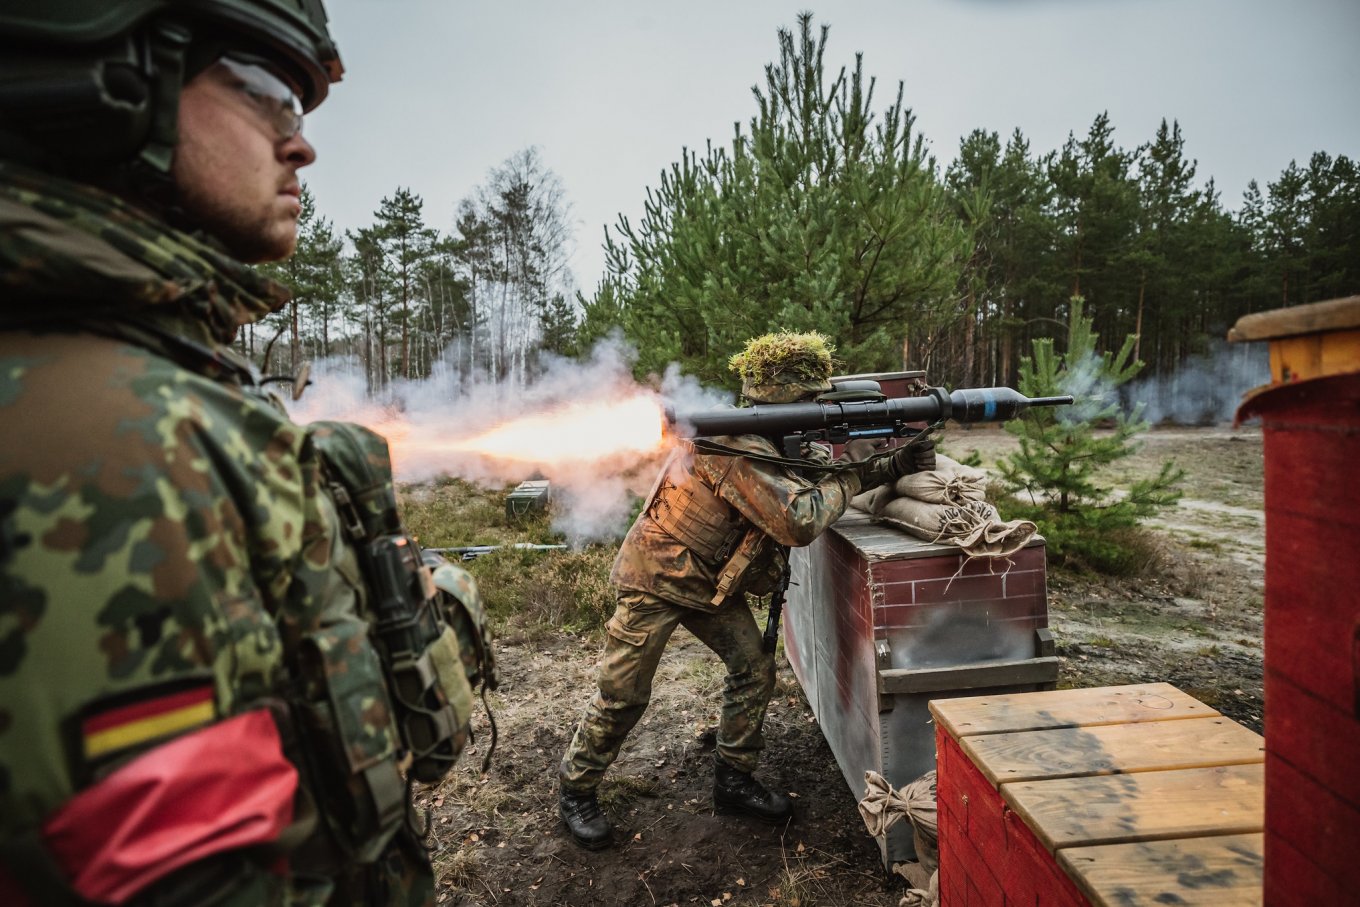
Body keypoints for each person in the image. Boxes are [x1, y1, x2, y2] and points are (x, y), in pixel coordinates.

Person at [0, 3, 492, 905]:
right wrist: (422, 617)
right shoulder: (121, 445)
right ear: (109, 89)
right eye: (268, 93)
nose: (299, 146)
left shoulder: (146, 384)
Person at [557, 331, 935, 849]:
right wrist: (855, 472)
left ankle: (733, 778)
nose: (815, 409)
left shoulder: (767, 441)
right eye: (807, 400)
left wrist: (887, 464)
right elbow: (799, 518)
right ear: (783, 398)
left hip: (708, 580)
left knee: (752, 668)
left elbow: (814, 478)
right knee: (623, 695)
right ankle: (576, 789)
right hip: (657, 578)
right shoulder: (737, 445)